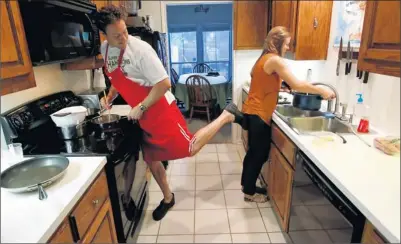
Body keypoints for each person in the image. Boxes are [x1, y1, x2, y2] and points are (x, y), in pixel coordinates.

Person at [95, 5, 243, 221]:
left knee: (189, 148)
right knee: (152, 158)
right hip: (141, 114)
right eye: (117, 35)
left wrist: (142, 107)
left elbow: (164, 84)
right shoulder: (106, 50)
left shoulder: (142, 50)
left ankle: (226, 115)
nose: (124, 37)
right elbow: (117, 78)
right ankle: (168, 198)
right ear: (104, 35)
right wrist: (109, 97)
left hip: (160, 110)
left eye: (125, 31)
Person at [241, 26, 336, 203]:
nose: (288, 48)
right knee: (259, 154)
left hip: (251, 111)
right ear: (277, 42)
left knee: (253, 152)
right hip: (259, 114)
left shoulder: (263, 58)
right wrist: (321, 91)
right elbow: (298, 84)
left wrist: (277, 86)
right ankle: (249, 192)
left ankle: (247, 185)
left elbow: (259, 77)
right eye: (287, 44)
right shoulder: (275, 60)